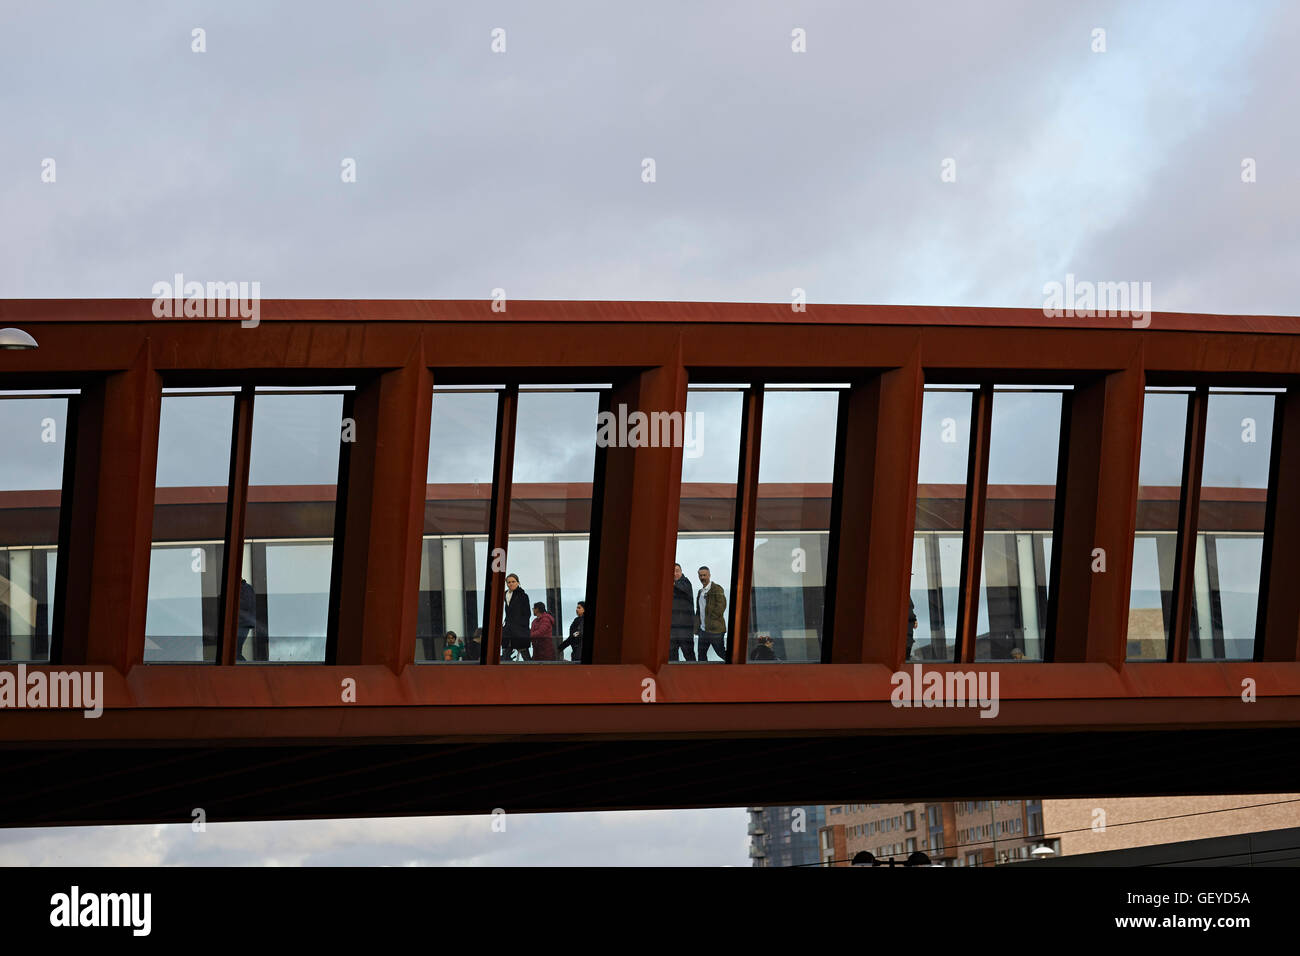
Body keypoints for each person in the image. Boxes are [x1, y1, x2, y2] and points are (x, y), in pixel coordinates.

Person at [695, 566, 727, 662]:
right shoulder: (700, 592)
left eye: (704, 575)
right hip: (703, 631)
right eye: (700, 575)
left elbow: (721, 606)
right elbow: (699, 611)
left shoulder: (716, 589)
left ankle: (736, 668)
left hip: (715, 631)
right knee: (701, 655)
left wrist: (711, 620)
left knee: (721, 653)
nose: (702, 577)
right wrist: (697, 627)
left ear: (709, 575)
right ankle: (702, 675)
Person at [669, 563, 696, 661]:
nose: (675, 573)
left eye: (677, 571)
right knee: (672, 656)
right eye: (672, 571)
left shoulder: (686, 582)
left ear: (681, 572)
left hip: (685, 628)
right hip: (672, 629)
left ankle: (694, 674)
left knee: (689, 654)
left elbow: (682, 589)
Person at [502, 573, 531, 661]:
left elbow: (527, 614)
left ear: (518, 583)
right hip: (508, 629)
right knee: (506, 654)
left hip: (519, 630)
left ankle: (532, 672)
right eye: (509, 582)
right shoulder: (504, 594)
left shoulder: (523, 596)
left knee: (525, 654)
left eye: (513, 582)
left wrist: (521, 627)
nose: (511, 584)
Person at [237, 579, 257, 662]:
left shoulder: (246, 588)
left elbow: (247, 604)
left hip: (242, 624)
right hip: (243, 624)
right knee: (236, 652)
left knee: (236, 652)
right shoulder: (246, 588)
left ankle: (246, 668)